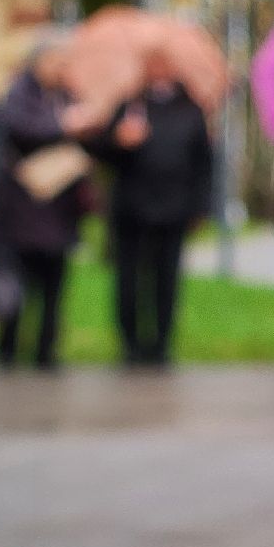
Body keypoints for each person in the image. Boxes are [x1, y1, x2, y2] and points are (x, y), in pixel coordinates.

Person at [90, 53, 214, 368]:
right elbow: (103, 155)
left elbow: (204, 165)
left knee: (167, 280)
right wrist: (119, 141)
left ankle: (160, 344)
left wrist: (200, 207)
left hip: (174, 209)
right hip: (132, 210)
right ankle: (130, 342)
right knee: (129, 280)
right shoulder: (129, 107)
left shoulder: (191, 111)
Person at [0, 39, 97, 371]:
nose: (60, 69)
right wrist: (63, 125)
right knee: (18, 286)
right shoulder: (19, 94)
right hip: (23, 209)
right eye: (55, 62)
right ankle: (7, 349)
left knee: (54, 290)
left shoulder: (68, 96)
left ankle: (45, 351)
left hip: (60, 210)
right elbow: (18, 128)